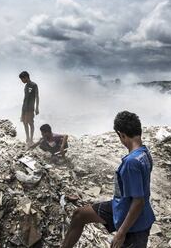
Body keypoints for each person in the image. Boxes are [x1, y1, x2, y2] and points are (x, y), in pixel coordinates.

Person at [61, 111, 155, 248]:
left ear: (121, 135)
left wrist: (121, 233)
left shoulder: (131, 163)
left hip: (135, 224)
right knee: (79, 215)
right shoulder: (144, 153)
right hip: (121, 205)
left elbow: (138, 202)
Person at [19, 71, 39, 145]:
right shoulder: (26, 86)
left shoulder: (34, 85)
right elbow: (25, 98)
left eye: (22, 79)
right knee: (24, 123)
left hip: (30, 108)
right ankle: (27, 137)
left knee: (30, 123)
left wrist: (37, 108)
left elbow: (37, 96)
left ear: (26, 77)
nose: (22, 81)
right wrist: (22, 112)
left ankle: (31, 138)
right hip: (24, 108)